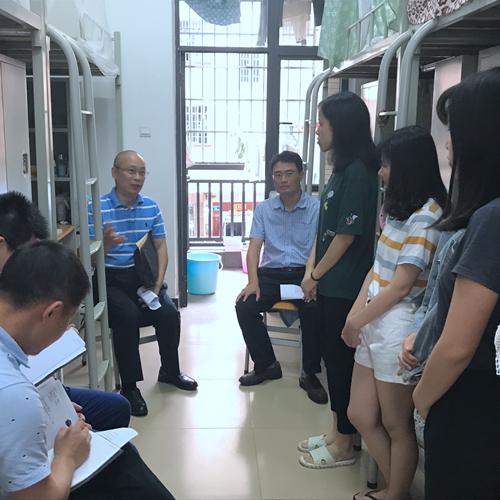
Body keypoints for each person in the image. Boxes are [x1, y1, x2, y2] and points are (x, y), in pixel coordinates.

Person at [0, 241, 175, 500]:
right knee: (122, 465)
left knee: (121, 456)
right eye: (67, 320)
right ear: (51, 313)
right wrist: (67, 457)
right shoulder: (15, 394)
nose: (67, 330)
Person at [409, 67, 500, 500]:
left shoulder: (492, 220)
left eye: (454, 133)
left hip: (474, 401)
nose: (448, 146)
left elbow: (459, 346)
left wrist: (422, 400)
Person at [342, 126, 446, 500]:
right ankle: (400, 492)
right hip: (374, 315)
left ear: (407, 167)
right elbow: (378, 268)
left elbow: (402, 286)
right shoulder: (399, 208)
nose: (381, 171)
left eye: (386, 164)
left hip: (397, 321)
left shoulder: (429, 215)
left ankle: (395, 493)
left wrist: (357, 320)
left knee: (396, 424)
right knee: (359, 413)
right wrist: (355, 315)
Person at [0, 191, 131, 431]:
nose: (30, 263)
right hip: (18, 396)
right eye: (25, 252)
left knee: (117, 408)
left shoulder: (16, 284)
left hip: (33, 386)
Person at [298, 91, 379, 468]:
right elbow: (325, 230)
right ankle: (336, 431)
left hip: (346, 287)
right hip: (329, 281)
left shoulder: (360, 173)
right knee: (333, 360)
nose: (316, 130)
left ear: (341, 127)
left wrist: (315, 274)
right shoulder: (341, 170)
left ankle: (345, 445)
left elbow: (346, 237)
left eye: (322, 123)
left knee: (342, 364)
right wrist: (310, 272)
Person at [88, 150, 197, 417]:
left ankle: (169, 371)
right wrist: (105, 245)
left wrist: (158, 286)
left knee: (169, 313)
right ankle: (129, 386)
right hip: (109, 278)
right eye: (131, 171)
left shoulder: (151, 206)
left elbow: (161, 248)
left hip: (143, 277)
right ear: (114, 173)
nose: (137, 178)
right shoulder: (96, 208)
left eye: (142, 172)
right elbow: (85, 257)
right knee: (128, 316)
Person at [235, 151, 327, 404]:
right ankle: (267, 365)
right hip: (271, 275)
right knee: (244, 306)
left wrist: (311, 278)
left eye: (289, 173)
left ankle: (309, 373)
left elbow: (318, 247)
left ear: (301, 175)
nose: (283, 179)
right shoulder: (264, 209)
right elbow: (254, 247)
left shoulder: (316, 208)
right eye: (277, 175)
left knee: (313, 309)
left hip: (303, 274)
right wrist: (253, 282)